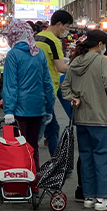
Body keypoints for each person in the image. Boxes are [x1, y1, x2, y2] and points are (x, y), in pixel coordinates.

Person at [61, 29, 107, 211]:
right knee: (103, 156)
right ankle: (104, 198)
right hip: (100, 116)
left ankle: (89, 196)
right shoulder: (102, 61)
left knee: (86, 157)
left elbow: (65, 88)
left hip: (81, 117)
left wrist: (74, 98)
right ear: (101, 45)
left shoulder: (76, 61)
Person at [1, 19, 54, 170]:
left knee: (18, 146)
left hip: (19, 110)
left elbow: (11, 85)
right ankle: (34, 180)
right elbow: (47, 83)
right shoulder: (39, 54)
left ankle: (21, 181)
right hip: (37, 108)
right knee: (33, 146)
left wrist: (9, 110)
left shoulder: (13, 55)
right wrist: (49, 107)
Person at [35, 10, 74, 155]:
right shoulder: (54, 41)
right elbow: (61, 67)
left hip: (36, 87)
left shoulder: (38, 37)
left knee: (51, 128)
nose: (67, 31)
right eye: (67, 26)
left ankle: (56, 162)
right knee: (42, 129)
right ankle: (29, 160)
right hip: (48, 89)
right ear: (59, 24)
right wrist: (80, 68)